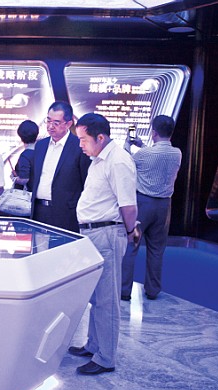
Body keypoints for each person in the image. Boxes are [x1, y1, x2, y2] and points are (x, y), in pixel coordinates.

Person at [68, 113, 140, 375]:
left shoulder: (118, 161)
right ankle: (93, 345)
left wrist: (130, 231)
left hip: (107, 234)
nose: (80, 144)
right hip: (94, 234)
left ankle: (105, 358)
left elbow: (128, 205)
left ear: (101, 137)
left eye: (83, 139)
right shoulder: (98, 159)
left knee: (107, 299)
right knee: (97, 296)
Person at [121, 115, 182, 301]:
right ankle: (153, 290)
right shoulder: (177, 153)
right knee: (156, 249)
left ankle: (124, 290)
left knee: (131, 245)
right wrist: (143, 145)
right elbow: (157, 156)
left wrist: (127, 144)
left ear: (153, 132)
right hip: (164, 207)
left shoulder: (144, 154)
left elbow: (125, 163)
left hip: (143, 205)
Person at [31, 101, 91, 232]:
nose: (50, 126)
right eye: (48, 121)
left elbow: (86, 183)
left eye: (56, 123)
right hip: (38, 211)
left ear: (68, 124)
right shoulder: (40, 145)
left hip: (66, 213)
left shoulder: (79, 146)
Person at [11, 120, 39, 192]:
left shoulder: (25, 156)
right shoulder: (42, 150)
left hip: (29, 194)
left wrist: (14, 178)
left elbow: (24, 180)